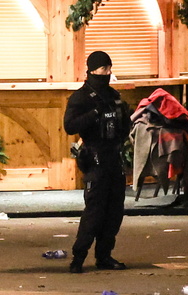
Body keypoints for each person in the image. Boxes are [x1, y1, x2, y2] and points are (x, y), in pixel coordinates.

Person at [63, 50, 131, 274]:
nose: (108, 73)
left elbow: (124, 126)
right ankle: (78, 257)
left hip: (113, 158)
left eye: (110, 69)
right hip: (95, 160)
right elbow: (70, 126)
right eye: (103, 69)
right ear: (92, 70)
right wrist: (94, 114)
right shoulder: (81, 97)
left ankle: (104, 256)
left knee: (114, 213)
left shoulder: (114, 96)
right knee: (94, 212)